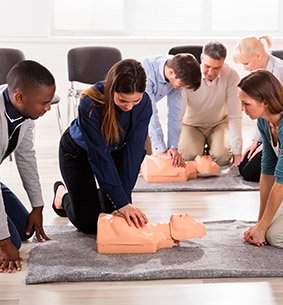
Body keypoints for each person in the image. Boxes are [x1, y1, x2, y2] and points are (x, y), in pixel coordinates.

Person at [53, 59, 152, 233]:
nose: (129, 107)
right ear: (112, 89)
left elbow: (134, 151)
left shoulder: (144, 104)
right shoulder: (89, 102)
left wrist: (123, 201)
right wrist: (121, 202)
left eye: (135, 101)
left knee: (113, 212)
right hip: (78, 153)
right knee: (90, 224)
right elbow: (99, 156)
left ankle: (95, 195)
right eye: (123, 101)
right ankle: (63, 195)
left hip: (113, 151)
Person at [238, 69, 283, 248]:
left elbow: (281, 182)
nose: (242, 109)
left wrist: (263, 229)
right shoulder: (264, 121)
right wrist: (260, 224)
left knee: (276, 237)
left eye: (246, 104)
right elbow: (268, 170)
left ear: (265, 102)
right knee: (268, 226)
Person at [0, 60, 56, 273]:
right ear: (19, 97)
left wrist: (37, 205)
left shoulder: (26, 112)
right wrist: (4, 243)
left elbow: (26, 156)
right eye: (44, 103)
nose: (48, 107)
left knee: (24, 231)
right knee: (10, 241)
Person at [233, 35, 283, 182]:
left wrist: (266, 147)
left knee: (250, 173)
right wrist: (256, 141)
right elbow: (264, 111)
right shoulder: (262, 73)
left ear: (258, 55)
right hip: (273, 127)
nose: (245, 68)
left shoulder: (281, 72)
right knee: (243, 165)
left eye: (246, 63)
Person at [178, 42, 243, 167]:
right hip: (191, 124)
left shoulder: (231, 75)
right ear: (202, 58)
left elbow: (235, 115)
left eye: (217, 68)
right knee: (188, 156)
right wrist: (172, 147)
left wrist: (237, 154)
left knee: (223, 157)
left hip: (218, 123)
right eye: (207, 66)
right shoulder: (189, 74)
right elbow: (178, 112)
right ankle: (201, 149)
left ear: (223, 62)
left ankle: (209, 150)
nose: (211, 73)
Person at [141, 53, 201, 167]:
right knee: (142, 159)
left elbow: (175, 114)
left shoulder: (177, 72)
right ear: (171, 73)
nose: (181, 87)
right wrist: (162, 150)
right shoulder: (145, 73)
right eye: (182, 84)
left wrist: (173, 147)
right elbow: (151, 114)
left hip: (142, 110)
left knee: (159, 162)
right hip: (124, 110)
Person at [97, 213, 206, 254]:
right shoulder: (151, 229)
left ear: (181, 234)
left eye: (192, 221)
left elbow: (119, 229)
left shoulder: (150, 239)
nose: (188, 215)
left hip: (103, 224)